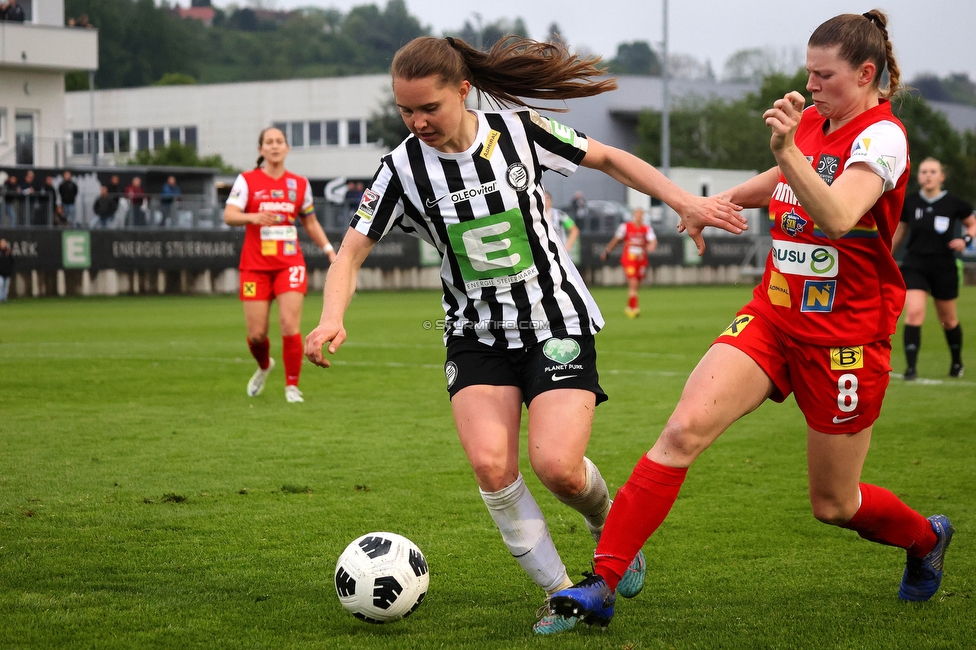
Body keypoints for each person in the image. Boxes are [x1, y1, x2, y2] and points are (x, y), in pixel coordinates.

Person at [302, 35, 745, 634]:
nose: (417, 122)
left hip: (554, 320)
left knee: (559, 468)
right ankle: (565, 594)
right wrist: (332, 316)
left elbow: (610, 158)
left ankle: (608, 527)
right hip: (474, 334)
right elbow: (350, 253)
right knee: (492, 466)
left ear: (462, 90)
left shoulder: (518, 130)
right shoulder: (400, 170)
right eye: (405, 111)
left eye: (429, 107)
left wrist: (682, 200)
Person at [551, 11, 954, 629]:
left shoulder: (882, 138)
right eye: (808, 73)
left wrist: (789, 152)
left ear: (866, 74)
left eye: (825, 75)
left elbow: (839, 214)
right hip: (774, 317)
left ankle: (925, 542)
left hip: (844, 341)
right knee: (682, 431)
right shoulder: (818, 123)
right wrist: (714, 205)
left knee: (834, 503)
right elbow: (779, 184)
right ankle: (602, 582)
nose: (811, 85)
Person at [224, 127, 337, 403]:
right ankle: (264, 366)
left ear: (287, 148)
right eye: (269, 142)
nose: (274, 146)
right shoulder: (247, 180)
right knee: (257, 334)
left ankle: (291, 386)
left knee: (289, 324)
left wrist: (330, 251)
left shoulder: (299, 184)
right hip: (254, 266)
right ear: (261, 150)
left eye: (279, 142)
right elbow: (229, 215)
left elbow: (309, 221)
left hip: (289, 264)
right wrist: (253, 217)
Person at [891, 157, 976, 380]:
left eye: (932, 171)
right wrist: (886, 257)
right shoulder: (910, 202)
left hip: (944, 265)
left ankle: (957, 362)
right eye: (923, 172)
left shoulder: (954, 203)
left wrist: (966, 239)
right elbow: (900, 232)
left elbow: (971, 223)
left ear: (942, 177)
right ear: (918, 177)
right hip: (915, 264)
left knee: (948, 320)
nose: (927, 175)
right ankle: (911, 369)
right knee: (914, 313)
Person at [600, 207, 657, 317]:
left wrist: (652, 245)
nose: (639, 216)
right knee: (633, 282)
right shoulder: (625, 227)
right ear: (634, 215)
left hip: (641, 260)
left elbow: (653, 240)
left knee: (636, 285)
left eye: (641, 214)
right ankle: (634, 308)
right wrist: (607, 251)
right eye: (637, 214)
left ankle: (629, 307)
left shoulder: (646, 229)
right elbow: (616, 240)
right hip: (629, 259)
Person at [545, 191, 579, 259]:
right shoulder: (534, 216)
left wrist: (566, 248)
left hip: (559, 254)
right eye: (543, 198)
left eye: (547, 198)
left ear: (551, 201)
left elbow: (574, 230)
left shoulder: (559, 214)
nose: (545, 201)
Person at [0, 238, 13, 302]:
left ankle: (4, 298)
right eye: (2, 243)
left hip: (7, 272)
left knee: (6, 286)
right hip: (0, 273)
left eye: (4, 243)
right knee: (1, 284)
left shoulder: (8, 252)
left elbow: (12, 261)